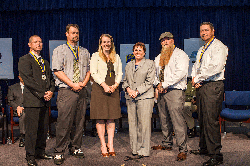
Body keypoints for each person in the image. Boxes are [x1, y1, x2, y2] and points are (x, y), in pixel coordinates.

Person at [52, 24, 90, 165]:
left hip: (81, 89)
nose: (76, 35)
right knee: (64, 122)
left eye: (77, 33)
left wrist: (83, 84)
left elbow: (88, 71)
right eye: (73, 33)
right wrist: (72, 84)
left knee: (79, 121)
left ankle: (75, 147)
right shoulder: (59, 50)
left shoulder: (85, 51)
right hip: (66, 90)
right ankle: (59, 151)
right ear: (67, 34)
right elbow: (57, 71)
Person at [190, 22, 228, 166]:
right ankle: (204, 148)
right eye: (201, 31)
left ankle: (216, 155)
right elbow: (196, 66)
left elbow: (216, 68)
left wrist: (198, 78)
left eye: (206, 30)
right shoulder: (202, 48)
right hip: (201, 86)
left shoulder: (219, 46)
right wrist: (194, 79)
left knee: (211, 121)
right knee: (202, 118)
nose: (203, 33)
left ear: (213, 31)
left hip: (213, 86)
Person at [18, 35, 55, 166]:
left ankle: (41, 151)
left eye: (40, 42)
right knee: (32, 130)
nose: (38, 44)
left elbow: (51, 79)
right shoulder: (24, 60)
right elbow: (28, 80)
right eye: (35, 42)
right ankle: (30, 156)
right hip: (33, 101)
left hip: (45, 100)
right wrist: (42, 93)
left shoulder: (45, 62)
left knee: (43, 129)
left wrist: (51, 91)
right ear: (29, 44)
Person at [152, 32, 189, 161]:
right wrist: (158, 84)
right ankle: (167, 144)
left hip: (175, 91)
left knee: (177, 120)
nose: (165, 42)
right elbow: (154, 74)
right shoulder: (158, 57)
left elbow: (181, 73)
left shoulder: (180, 54)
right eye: (162, 41)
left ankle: (183, 149)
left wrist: (165, 84)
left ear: (173, 41)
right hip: (162, 91)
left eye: (167, 40)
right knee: (164, 119)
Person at [90, 34, 122, 157]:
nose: (106, 44)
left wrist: (115, 85)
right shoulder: (95, 56)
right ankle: (103, 145)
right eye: (104, 42)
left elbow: (119, 73)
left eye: (108, 42)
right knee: (100, 117)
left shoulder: (116, 57)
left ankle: (111, 144)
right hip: (100, 89)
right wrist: (104, 85)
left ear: (111, 43)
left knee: (111, 117)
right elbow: (93, 72)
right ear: (101, 43)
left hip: (113, 89)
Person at [123, 42, 155, 159]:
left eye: (140, 50)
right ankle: (135, 149)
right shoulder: (128, 65)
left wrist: (136, 91)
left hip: (145, 97)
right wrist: (128, 89)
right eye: (135, 50)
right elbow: (125, 80)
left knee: (144, 124)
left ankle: (144, 150)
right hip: (130, 98)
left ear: (144, 52)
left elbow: (149, 81)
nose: (137, 52)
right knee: (132, 124)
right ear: (133, 52)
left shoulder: (150, 63)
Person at [7, 75, 26, 147]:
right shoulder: (12, 88)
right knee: (23, 113)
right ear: (19, 77)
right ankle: (23, 136)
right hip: (17, 110)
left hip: (29, 108)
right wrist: (17, 107)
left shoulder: (31, 87)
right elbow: (10, 101)